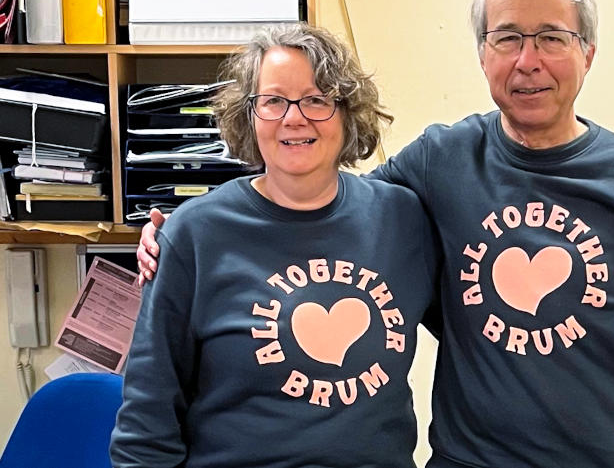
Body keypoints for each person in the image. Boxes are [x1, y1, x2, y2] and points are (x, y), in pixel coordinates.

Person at [137, 0, 614, 468]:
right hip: (471, 459)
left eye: (551, 38)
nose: (528, 60)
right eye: (507, 38)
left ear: (587, 50)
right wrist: (180, 235)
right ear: (483, 54)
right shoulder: (442, 161)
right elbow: (321, 203)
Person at [111, 23, 440, 468]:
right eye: (273, 101)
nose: (294, 117)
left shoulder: (404, 221)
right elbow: (146, 425)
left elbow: (476, 331)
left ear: (346, 113)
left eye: (316, 99)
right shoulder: (196, 235)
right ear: (249, 116)